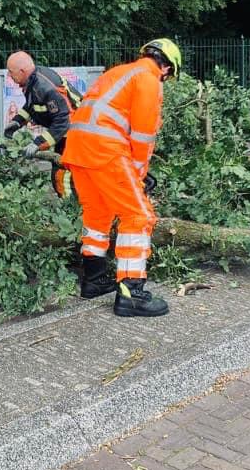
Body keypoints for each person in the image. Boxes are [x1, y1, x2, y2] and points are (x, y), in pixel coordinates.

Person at [61, 39, 182, 317]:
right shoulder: (149, 80)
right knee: (139, 216)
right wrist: (138, 175)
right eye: (169, 75)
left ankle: (93, 279)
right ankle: (131, 293)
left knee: (97, 215)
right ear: (166, 67)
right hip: (105, 151)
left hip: (78, 151)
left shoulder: (117, 72)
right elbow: (142, 135)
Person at [4, 52, 82, 197]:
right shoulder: (33, 81)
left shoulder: (46, 88)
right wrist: (17, 122)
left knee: (62, 174)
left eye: (11, 72)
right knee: (62, 174)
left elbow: (62, 121)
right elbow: (32, 106)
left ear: (22, 71)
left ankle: (71, 211)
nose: (9, 76)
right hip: (69, 132)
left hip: (77, 132)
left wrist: (37, 144)